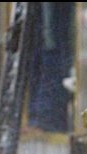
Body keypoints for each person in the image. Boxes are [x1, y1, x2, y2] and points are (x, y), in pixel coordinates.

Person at [27, 2, 75, 134]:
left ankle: (46, 120)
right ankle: (45, 120)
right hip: (49, 42)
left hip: (51, 42)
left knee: (50, 68)